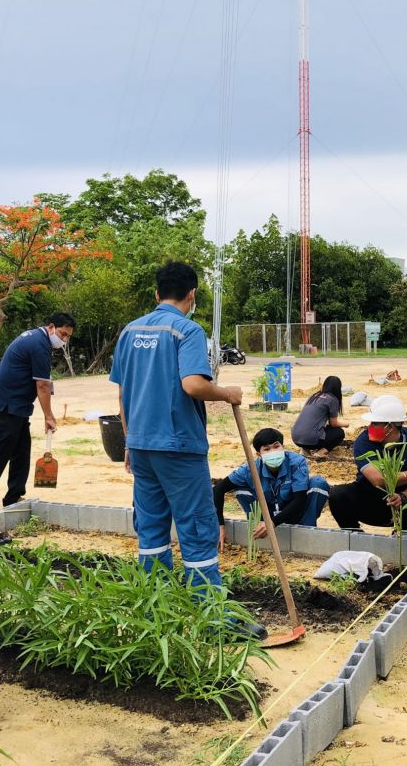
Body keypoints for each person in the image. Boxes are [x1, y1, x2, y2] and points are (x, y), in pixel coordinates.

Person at [110, 262, 255, 618]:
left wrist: (129, 442)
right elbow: (193, 385)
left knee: (151, 526)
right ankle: (211, 615)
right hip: (178, 447)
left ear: (157, 294)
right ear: (192, 295)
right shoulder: (187, 331)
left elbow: (122, 394)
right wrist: (227, 393)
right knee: (196, 526)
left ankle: (156, 607)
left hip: (141, 445)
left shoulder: (129, 331)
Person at [0, 313, 75, 516]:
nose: (64, 339)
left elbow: (44, 382)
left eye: (68, 336)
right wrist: (49, 416)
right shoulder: (39, 344)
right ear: (51, 327)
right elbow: (41, 385)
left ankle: (13, 497)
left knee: (22, 449)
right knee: (1, 450)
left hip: (16, 403)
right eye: (63, 334)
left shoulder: (38, 339)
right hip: (7, 402)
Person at [329, 395, 407, 532]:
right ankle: (355, 536)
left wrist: (403, 497)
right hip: (368, 499)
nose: (369, 427)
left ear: (390, 427)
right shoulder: (363, 441)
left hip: (399, 502)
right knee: (338, 495)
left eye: (374, 423)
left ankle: (399, 540)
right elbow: (378, 479)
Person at [214, 428, 330, 548]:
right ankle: (258, 530)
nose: (273, 452)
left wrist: (272, 523)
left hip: (294, 512)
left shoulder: (296, 462)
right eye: (267, 449)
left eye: (276, 446)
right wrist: (220, 524)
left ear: (283, 447)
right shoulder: (251, 468)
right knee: (240, 488)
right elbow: (218, 489)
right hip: (266, 514)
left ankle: (307, 531)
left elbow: (299, 500)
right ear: (259, 455)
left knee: (318, 483)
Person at [292, 376, 348, 456]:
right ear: (338, 388)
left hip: (295, 438)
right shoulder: (332, 399)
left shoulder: (314, 396)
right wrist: (346, 424)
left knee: (320, 428)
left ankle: (305, 450)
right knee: (339, 433)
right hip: (311, 440)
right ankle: (321, 452)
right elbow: (334, 423)